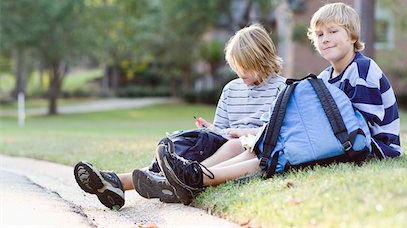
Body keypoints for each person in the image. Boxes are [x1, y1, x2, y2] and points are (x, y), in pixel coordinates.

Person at [156, 2, 401, 205]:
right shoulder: (326, 77)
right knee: (264, 147)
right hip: (345, 142)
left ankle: (199, 178)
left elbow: (364, 128)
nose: (325, 39)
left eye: (333, 31)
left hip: (373, 149)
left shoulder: (362, 69)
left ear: (352, 36)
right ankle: (192, 176)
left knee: (278, 154)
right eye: (319, 34)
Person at [73, 24, 286, 210]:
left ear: (262, 59)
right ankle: (116, 182)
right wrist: (210, 128)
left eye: (246, 67)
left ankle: (184, 180)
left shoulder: (282, 89)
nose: (241, 73)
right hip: (223, 143)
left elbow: (281, 132)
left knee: (233, 145)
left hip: (247, 147)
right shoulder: (231, 89)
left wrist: (245, 133)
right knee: (184, 144)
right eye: (236, 67)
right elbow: (221, 128)